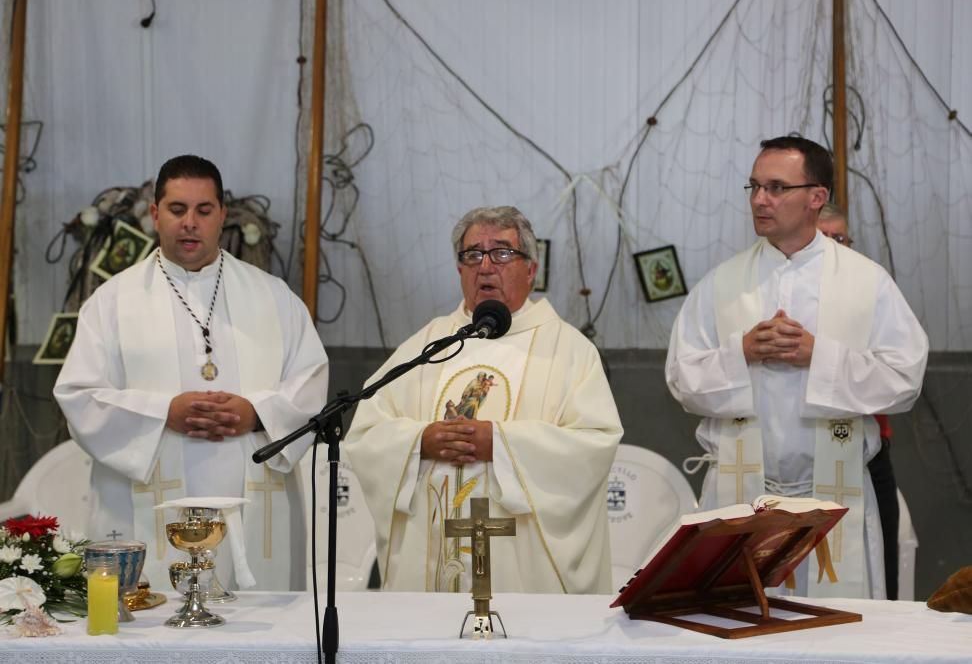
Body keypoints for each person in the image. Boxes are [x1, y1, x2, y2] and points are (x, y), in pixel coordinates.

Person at [665, 136, 928, 598]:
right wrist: (741, 352)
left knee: (834, 634)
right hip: (741, 495)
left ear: (816, 197)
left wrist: (818, 356)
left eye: (775, 187)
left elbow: (905, 378)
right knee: (736, 624)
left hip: (833, 499)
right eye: (753, 187)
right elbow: (681, 380)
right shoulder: (721, 284)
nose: (759, 199)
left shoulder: (867, 281)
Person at [54, 155, 329, 591]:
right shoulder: (113, 302)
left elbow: (311, 383)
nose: (190, 223)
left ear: (222, 215)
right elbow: (78, 395)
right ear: (155, 214)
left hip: (256, 515)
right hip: (149, 506)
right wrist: (164, 411)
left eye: (204, 210)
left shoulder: (274, 298)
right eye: (178, 209)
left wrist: (256, 413)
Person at [345, 206, 623, 594]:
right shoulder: (427, 345)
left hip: (524, 576)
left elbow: (595, 442)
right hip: (433, 566)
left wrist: (501, 444)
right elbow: (365, 433)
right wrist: (419, 441)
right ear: (460, 269)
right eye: (473, 254)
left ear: (531, 269)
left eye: (503, 253)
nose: (486, 266)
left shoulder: (570, 351)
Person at [818, 202, 900, 599]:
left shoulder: (869, 288)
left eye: (841, 237)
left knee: (879, 557)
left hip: (866, 450)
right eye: (826, 237)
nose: (836, 245)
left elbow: (897, 367)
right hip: (808, 450)